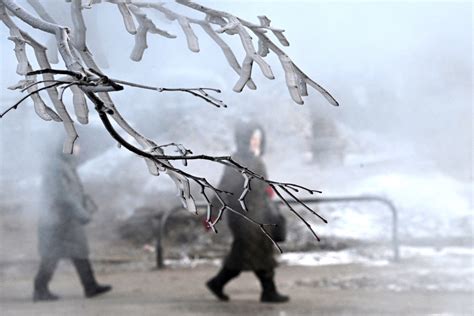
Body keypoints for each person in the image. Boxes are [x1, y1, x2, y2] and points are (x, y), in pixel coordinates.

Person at [206, 120, 289, 303]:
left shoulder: (256, 160)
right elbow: (224, 189)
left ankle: (220, 283)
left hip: (260, 215)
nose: (256, 142)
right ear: (243, 140)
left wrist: (266, 190)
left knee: (254, 253)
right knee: (252, 253)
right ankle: (267, 291)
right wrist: (212, 214)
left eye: (259, 138)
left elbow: (260, 185)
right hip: (244, 217)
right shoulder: (237, 162)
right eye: (253, 138)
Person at [33, 141, 112, 301]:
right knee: (52, 254)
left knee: (78, 252)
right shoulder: (56, 167)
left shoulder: (65, 165)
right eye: (75, 146)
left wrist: (84, 204)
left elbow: (72, 192)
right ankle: (40, 289)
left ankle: (90, 286)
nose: (78, 149)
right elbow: (63, 195)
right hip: (58, 219)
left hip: (67, 219)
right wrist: (81, 213)